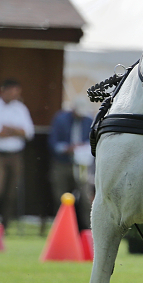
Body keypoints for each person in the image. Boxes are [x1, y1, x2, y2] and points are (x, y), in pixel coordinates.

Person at [0, 78, 34, 231]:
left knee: (12, 192)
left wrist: (9, 129)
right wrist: (16, 131)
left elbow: (28, 133)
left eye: (17, 92)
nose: (15, 94)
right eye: (12, 91)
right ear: (2, 91)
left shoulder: (21, 108)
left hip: (15, 155)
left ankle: (4, 227)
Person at [48, 97, 94, 230]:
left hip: (82, 165)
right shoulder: (60, 119)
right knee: (61, 197)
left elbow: (92, 142)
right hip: (62, 163)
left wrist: (83, 147)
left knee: (85, 197)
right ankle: (62, 229)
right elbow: (53, 143)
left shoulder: (89, 120)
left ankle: (88, 230)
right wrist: (68, 148)